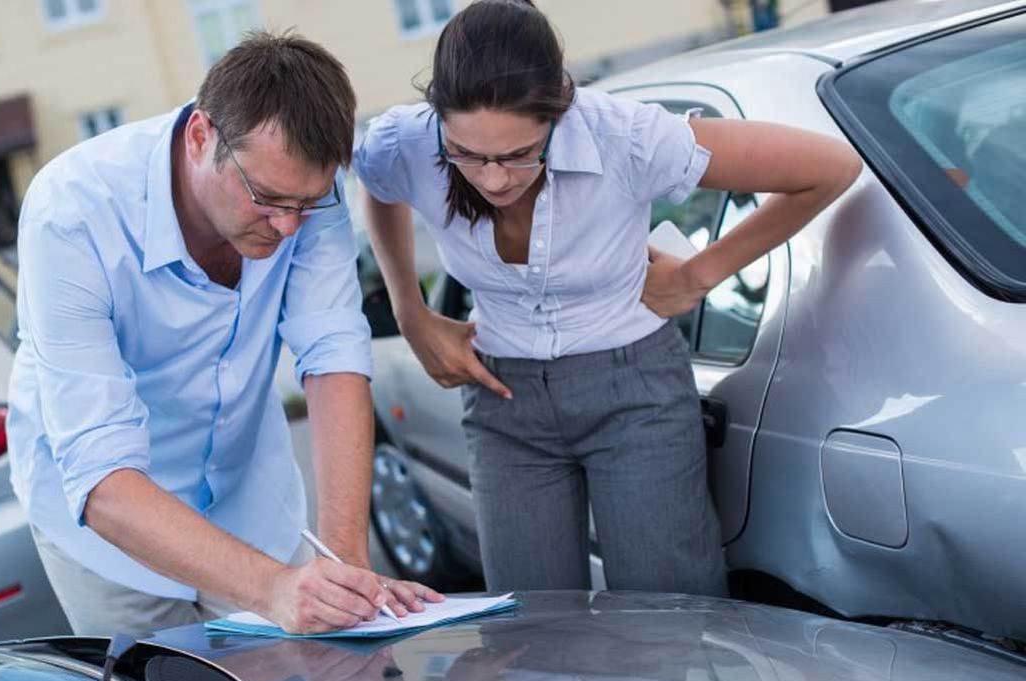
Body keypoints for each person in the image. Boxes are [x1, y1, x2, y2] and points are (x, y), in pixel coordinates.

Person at [352, 0, 861, 594]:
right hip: (503, 404)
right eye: (467, 155)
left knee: (670, 620)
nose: (492, 179)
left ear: (558, 113)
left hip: (635, 396)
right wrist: (411, 313)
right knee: (535, 633)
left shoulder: (626, 137)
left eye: (518, 155)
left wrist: (700, 274)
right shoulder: (406, 142)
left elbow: (829, 167)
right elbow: (379, 185)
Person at [7, 32, 442, 638]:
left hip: (250, 499)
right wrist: (276, 590)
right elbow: (101, 476)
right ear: (200, 137)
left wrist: (344, 565)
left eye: (307, 204)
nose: (288, 226)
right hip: (110, 534)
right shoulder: (71, 212)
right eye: (266, 199)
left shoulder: (303, 195)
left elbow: (335, 356)